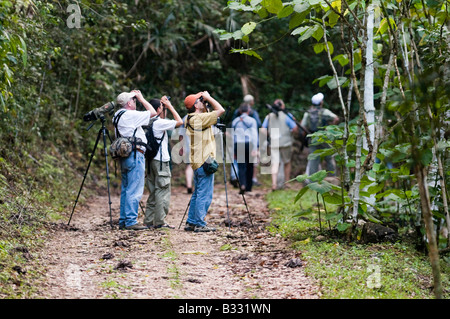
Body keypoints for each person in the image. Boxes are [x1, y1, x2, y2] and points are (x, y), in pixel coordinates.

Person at [113, 90, 157, 230]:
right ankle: (131, 221)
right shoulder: (130, 114)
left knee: (126, 188)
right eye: (134, 100)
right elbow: (153, 112)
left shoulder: (117, 115)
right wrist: (142, 98)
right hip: (135, 153)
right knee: (135, 188)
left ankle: (123, 220)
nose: (135, 102)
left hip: (125, 155)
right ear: (129, 103)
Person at [184, 91, 225, 232]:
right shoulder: (199, 119)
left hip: (197, 161)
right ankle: (199, 223)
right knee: (204, 194)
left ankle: (191, 222)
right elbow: (220, 110)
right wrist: (209, 97)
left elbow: (209, 113)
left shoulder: (190, 118)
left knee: (197, 193)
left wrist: (204, 103)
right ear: (196, 105)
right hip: (204, 161)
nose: (203, 101)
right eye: (200, 100)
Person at [144, 96, 183, 229]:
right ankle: (160, 222)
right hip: (161, 161)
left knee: (153, 192)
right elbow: (179, 122)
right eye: (162, 107)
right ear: (159, 109)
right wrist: (170, 106)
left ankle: (149, 221)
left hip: (150, 161)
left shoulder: (148, 121)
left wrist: (163, 107)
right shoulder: (160, 123)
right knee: (162, 191)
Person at [261, 99, 298, 191]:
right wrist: (290, 133)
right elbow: (294, 128)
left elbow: (263, 129)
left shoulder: (269, 116)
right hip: (286, 142)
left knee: (275, 163)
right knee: (287, 162)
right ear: (282, 106)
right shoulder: (287, 116)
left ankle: (274, 184)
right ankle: (287, 183)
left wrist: (268, 137)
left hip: (274, 142)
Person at [300, 92, 339, 177]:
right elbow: (336, 118)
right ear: (321, 102)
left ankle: (312, 179)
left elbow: (303, 125)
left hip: (312, 137)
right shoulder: (325, 112)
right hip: (324, 137)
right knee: (329, 157)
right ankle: (333, 177)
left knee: (313, 159)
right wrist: (330, 127)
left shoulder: (308, 113)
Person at [230, 94, 262, 187]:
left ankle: (242, 184)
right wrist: (255, 148)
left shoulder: (235, 121)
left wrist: (233, 148)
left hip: (238, 144)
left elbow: (233, 135)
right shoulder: (252, 120)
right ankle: (249, 186)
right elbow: (254, 134)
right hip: (250, 144)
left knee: (241, 165)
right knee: (250, 165)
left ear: (239, 111)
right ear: (249, 110)